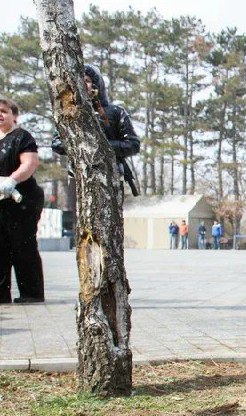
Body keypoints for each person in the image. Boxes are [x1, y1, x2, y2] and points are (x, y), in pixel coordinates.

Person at [52, 65, 141, 209]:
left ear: (95, 84)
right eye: (78, 80)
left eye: (86, 80)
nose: (82, 84)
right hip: (78, 177)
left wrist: (102, 147)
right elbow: (56, 143)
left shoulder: (116, 112)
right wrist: (81, 145)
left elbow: (133, 144)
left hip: (110, 175)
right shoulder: (68, 113)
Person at [0, 97, 44, 304]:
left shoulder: (21, 137)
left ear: (14, 116)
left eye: (3, 111)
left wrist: (12, 180)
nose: (0, 115)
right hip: (0, 201)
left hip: (22, 200)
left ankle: (31, 294)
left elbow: (30, 163)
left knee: (22, 245)